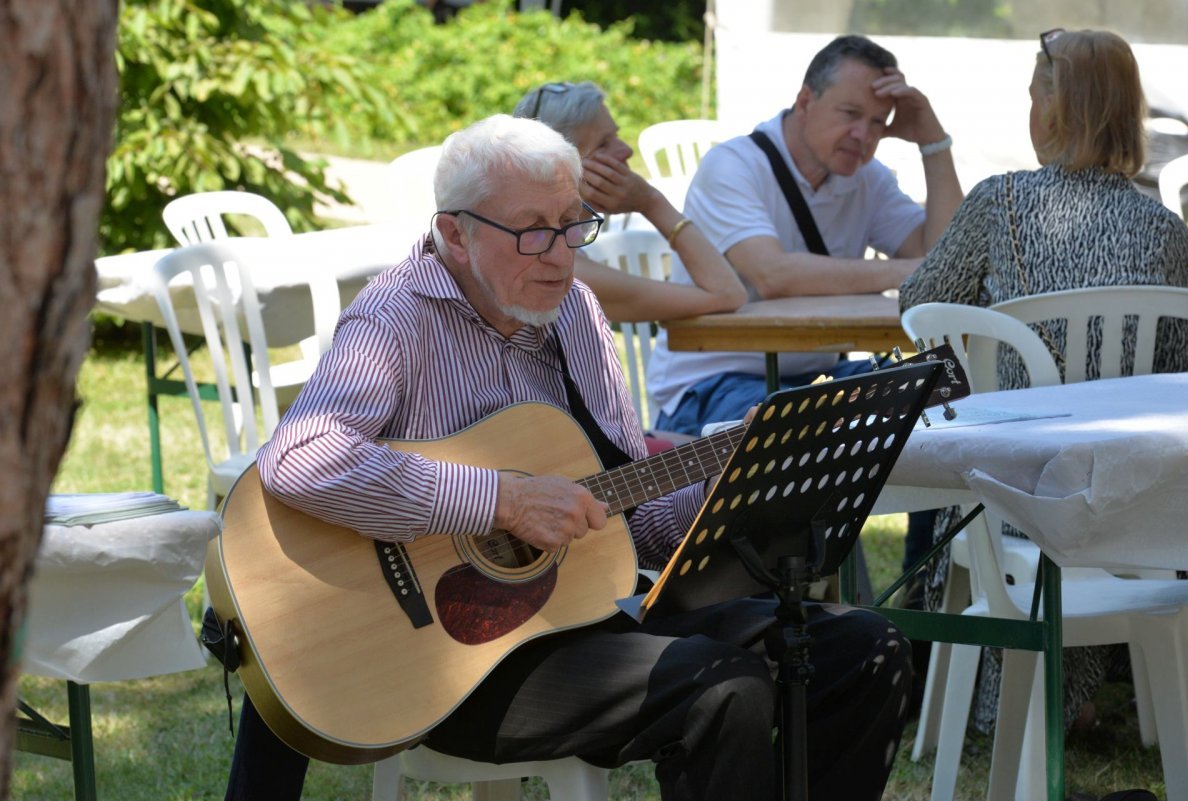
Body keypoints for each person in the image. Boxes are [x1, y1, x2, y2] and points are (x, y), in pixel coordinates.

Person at [222, 114, 911, 801]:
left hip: (583, 614)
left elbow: (631, 519)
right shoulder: (396, 317)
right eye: (532, 231)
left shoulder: (575, 312)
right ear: (456, 234)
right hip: (458, 666)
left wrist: (729, 480)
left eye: (572, 224)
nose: (559, 254)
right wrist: (500, 500)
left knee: (866, 649)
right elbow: (302, 456)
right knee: (722, 686)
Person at [899, 28, 1188, 735]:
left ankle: (991, 683)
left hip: (1020, 496)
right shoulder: (1165, 228)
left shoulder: (999, 203)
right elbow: (1180, 367)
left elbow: (918, 306)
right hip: (1131, 490)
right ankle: (1123, 683)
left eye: (1035, 94)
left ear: (1053, 111)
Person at [646, 34, 964, 438]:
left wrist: (933, 142)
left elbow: (945, 257)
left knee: (944, 394)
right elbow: (772, 275)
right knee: (804, 428)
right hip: (712, 382)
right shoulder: (733, 165)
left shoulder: (869, 179)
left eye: (877, 123)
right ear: (804, 100)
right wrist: (913, 270)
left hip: (815, 376)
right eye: (850, 113)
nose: (863, 135)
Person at [513, 80, 748, 325]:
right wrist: (652, 203)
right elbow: (727, 294)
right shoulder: (558, 270)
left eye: (616, 136)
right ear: (557, 167)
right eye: (604, 144)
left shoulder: (542, 249)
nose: (626, 151)